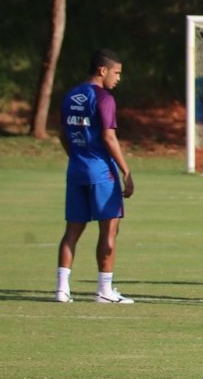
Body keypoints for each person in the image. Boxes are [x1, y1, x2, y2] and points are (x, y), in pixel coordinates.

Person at [56, 49, 135, 304]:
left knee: (72, 230)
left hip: (76, 169)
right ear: (103, 70)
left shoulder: (71, 95)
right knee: (109, 229)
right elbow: (108, 137)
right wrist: (126, 170)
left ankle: (61, 289)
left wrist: (76, 156)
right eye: (117, 73)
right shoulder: (104, 98)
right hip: (101, 171)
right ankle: (104, 290)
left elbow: (62, 133)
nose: (118, 78)